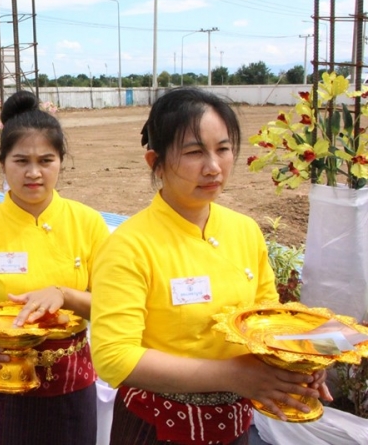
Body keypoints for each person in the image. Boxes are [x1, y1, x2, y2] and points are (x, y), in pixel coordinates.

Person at [90, 88, 331, 445]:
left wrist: (298, 362)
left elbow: (267, 320)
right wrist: (232, 376)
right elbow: (114, 357)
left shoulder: (244, 230)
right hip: (157, 428)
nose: (213, 167)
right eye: (194, 152)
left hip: (233, 426)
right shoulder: (129, 245)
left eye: (223, 149)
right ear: (155, 161)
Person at [0, 91, 110, 445]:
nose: (34, 173)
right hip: (0, 375)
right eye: (21, 160)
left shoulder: (88, 224)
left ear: (61, 161)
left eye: (46, 160)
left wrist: (65, 295)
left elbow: (112, 306)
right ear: (2, 163)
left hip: (69, 378)